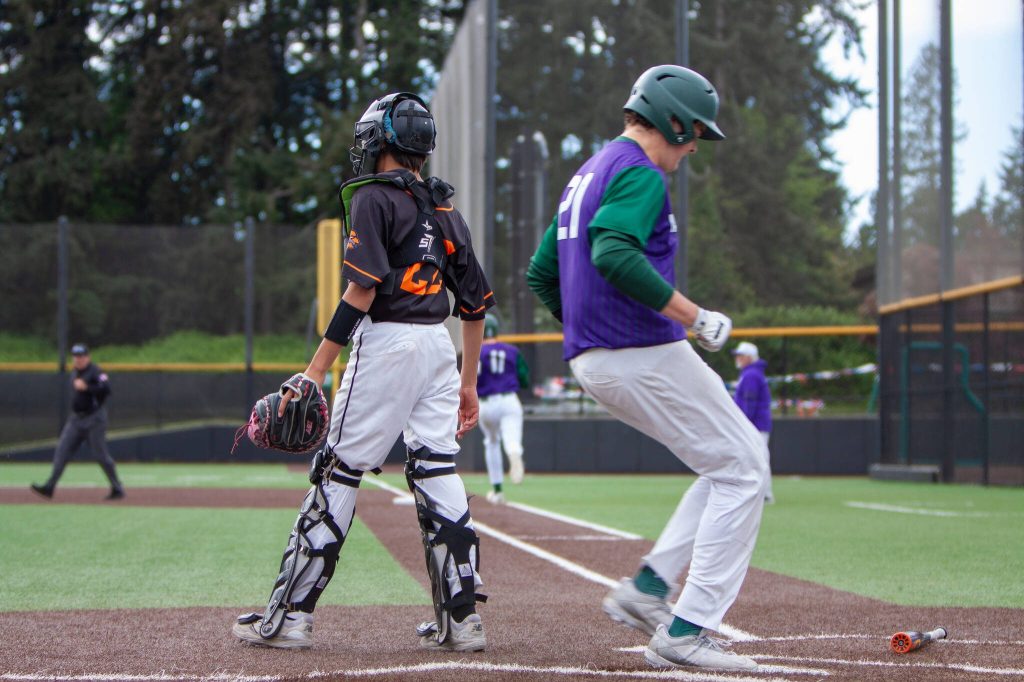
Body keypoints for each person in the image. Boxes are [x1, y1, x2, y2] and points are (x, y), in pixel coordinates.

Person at [232, 92, 495, 653]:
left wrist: (311, 371)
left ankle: (291, 617)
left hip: (389, 343)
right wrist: (468, 383)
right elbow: (473, 306)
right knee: (435, 468)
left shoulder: (375, 197)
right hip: (437, 349)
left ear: (380, 142)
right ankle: (462, 619)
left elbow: (363, 287)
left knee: (337, 468)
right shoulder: (446, 208)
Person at [526, 65, 768, 672]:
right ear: (674, 121)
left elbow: (541, 274)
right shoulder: (639, 173)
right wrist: (694, 315)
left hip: (600, 357)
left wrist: (587, 330)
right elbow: (613, 253)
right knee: (744, 469)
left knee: (728, 465)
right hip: (642, 351)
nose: (693, 148)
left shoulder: (587, 173)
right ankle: (686, 630)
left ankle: (652, 589)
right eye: (693, 135)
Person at [31, 343, 125, 500]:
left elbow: (107, 388)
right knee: (62, 451)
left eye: (81, 356)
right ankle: (49, 487)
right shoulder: (75, 372)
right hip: (76, 419)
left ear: (88, 357)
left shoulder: (96, 371)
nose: (78, 359)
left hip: (94, 419)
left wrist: (88, 387)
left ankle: (117, 488)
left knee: (100, 455)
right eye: (75, 356)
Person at [477, 313, 529, 504]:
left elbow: (470, 379)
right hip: (508, 399)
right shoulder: (512, 350)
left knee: (491, 442)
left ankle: (498, 490)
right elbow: (524, 378)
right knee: (512, 439)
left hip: (485, 403)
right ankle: (514, 455)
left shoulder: (476, 350)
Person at [732, 341, 774, 503]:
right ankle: (761, 492)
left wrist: (744, 422)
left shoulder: (751, 375)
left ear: (749, 357)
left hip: (754, 424)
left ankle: (764, 493)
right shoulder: (750, 373)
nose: (738, 358)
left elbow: (750, 401)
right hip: (755, 424)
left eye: (741, 355)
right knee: (756, 458)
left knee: (758, 458)